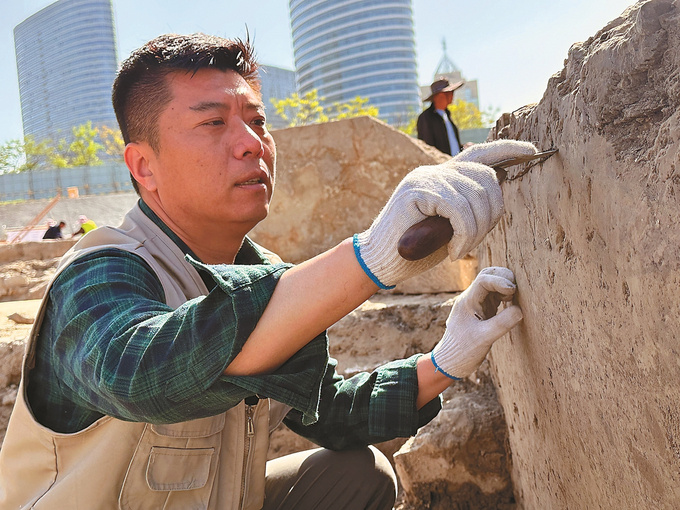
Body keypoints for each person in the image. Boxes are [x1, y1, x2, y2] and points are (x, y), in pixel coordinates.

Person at [0, 33, 536, 509]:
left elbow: (329, 411)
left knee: (356, 475)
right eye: (212, 123)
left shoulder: (263, 274)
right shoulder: (97, 278)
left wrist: (445, 360)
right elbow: (150, 374)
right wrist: (374, 256)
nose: (252, 142)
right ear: (144, 166)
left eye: (257, 121)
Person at [417, 76, 465, 156]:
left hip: (455, 164)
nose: (452, 96)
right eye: (450, 92)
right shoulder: (426, 118)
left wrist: (465, 147)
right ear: (441, 95)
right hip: (440, 166)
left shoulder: (448, 116)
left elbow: (452, 144)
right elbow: (427, 148)